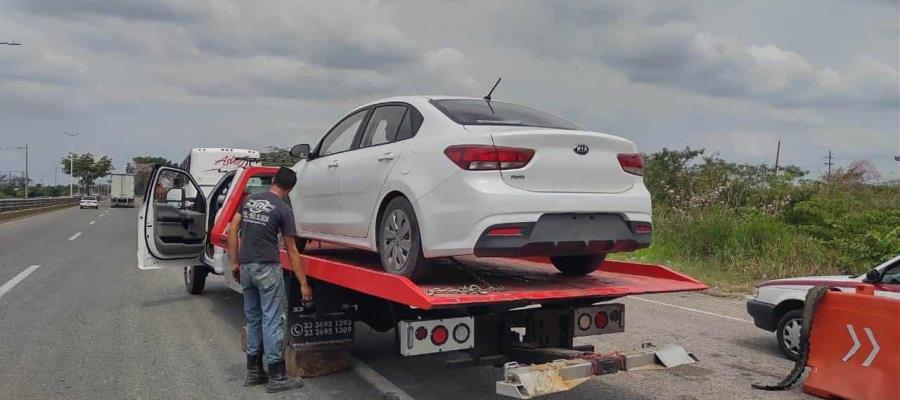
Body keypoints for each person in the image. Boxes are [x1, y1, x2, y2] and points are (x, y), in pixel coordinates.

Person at [227, 167, 312, 393]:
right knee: (273, 320)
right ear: (290, 189)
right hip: (267, 268)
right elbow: (292, 250)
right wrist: (303, 283)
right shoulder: (284, 210)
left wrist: (234, 263)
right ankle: (277, 377)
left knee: (253, 319)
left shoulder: (250, 200)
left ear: (273, 180)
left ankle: (254, 372)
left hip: (246, 266)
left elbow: (232, 229)